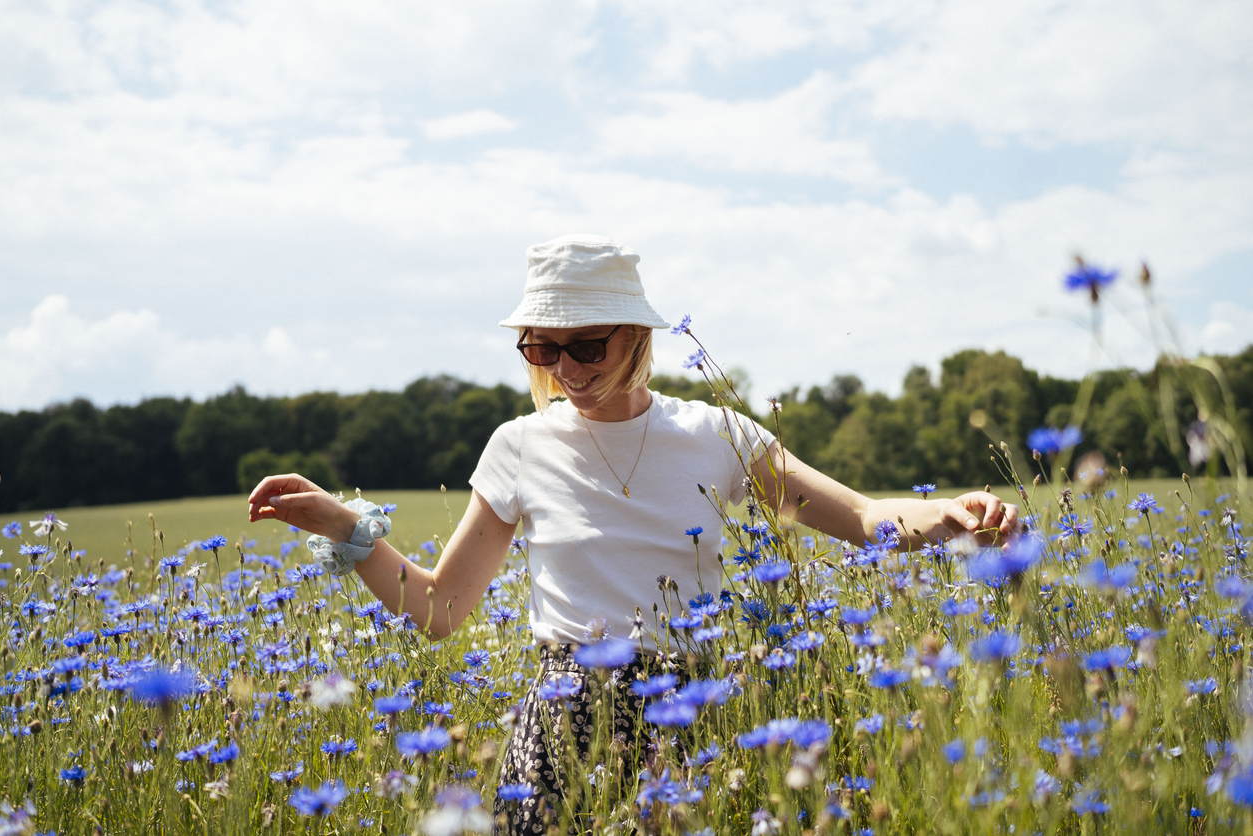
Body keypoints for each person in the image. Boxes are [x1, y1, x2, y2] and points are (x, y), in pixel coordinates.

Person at [247, 233, 1019, 834]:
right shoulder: (518, 445)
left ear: (638, 337)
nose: (567, 368)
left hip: (700, 712)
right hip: (562, 718)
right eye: (543, 349)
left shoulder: (716, 433)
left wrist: (948, 515)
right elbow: (441, 611)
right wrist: (347, 530)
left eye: (588, 346)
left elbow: (856, 518)